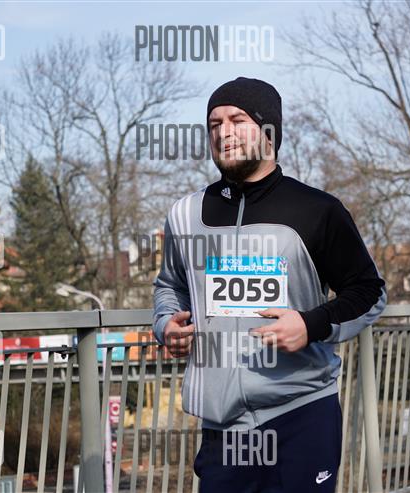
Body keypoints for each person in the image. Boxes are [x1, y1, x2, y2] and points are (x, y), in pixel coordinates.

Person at [153, 77, 387, 492]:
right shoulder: (185, 214)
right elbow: (170, 285)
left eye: (237, 120)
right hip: (223, 426)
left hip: (301, 414)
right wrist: (165, 324)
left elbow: (368, 292)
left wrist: (311, 324)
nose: (223, 132)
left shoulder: (317, 210)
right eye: (214, 124)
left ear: (269, 132)